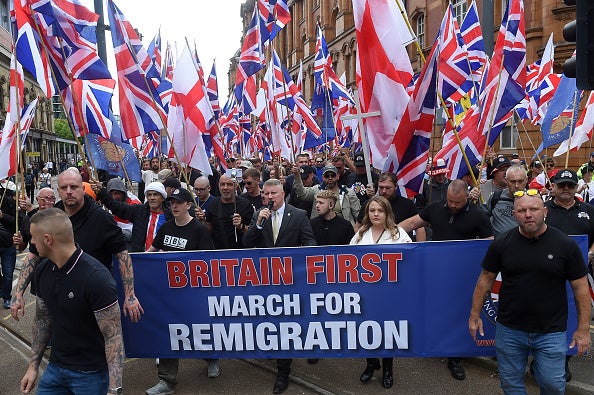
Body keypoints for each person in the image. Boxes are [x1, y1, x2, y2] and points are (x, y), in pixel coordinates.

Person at [469, 190, 591, 394]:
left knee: (553, 384)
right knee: (510, 384)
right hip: (510, 329)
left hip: (550, 331)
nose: (528, 214)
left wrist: (584, 329)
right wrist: (474, 314)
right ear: (514, 214)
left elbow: (581, 288)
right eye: (522, 210)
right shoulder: (501, 243)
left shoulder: (565, 245)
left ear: (545, 212)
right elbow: (485, 279)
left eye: (533, 209)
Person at [11, 169, 143, 323]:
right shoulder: (52, 217)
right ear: (58, 191)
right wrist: (19, 293)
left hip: (94, 301)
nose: (69, 192)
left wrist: (130, 295)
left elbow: (122, 257)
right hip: (59, 297)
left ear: (82, 188)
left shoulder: (102, 219)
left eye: (73, 187)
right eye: (64, 188)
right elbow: (33, 256)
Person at [20, 208, 124, 395]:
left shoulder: (96, 278)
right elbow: (42, 319)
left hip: (91, 375)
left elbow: (113, 337)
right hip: (55, 370)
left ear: (48, 239)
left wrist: (114, 389)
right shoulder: (43, 270)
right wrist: (33, 366)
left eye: (33, 238)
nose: (32, 243)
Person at [400, 180, 493, 380]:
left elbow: (489, 242)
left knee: (459, 314)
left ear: (467, 197)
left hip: (463, 275)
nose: (452, 205)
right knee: (437, 309)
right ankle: (436, 344)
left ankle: (455, 357)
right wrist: (387, 235)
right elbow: (411, 223)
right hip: (438, 271)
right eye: (450, 201)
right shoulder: (435, 208)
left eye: (457, 203)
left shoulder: (478, 215)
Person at [242, 178, 317, 394]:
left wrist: (296, 263)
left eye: (273, 193)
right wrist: (257, 225)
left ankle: (302, 354)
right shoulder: (259, 215)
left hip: (293, 280)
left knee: (295, 321)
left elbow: (310, 245)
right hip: (267, 281)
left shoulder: (299, 215)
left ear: (283, 193)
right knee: (276, 323)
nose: (269, 197)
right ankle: (281, 365)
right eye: (266, 194)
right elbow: (247, 244)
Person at [145, 188, 217, 395]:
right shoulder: (166, 227)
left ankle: (212, 358)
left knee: (197, 331)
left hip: (192, 293)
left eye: (179, 202)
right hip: (167, 293)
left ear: (189, 205)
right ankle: (167, 381)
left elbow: (207, 261)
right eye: (171, 203)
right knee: (168, 333)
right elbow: (150, 253)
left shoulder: (198, 229)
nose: (174, 206)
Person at [351, 196, 411, 389]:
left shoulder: (398, 234)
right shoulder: (361, 233)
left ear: (387, 213)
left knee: (387, 333)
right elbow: (349, 261)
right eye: (372, 210)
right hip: (365, 294)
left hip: (389, 295)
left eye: (380, 211)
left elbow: (411, 260)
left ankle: (387, 369)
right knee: (366, 330)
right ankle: (370, 364)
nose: (376, 214)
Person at [543, 169, 594, 381]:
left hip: (579, 274)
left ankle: (564, 360)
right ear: (553, 186)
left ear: (576, 188)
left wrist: (591, 252)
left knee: (574, 315)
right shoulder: (543, 209)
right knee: (546, 316)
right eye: (561, 184)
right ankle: (543, 357)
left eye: (570, 185)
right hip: (545, 273)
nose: (565, 189)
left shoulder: (589, 210)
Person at [92, 181, 172, 253]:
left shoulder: (172, 215)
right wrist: (102, 192)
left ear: (162, 197)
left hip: (164, 260)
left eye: (155, 194)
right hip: (141, 258)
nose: (152, 198)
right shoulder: (139, 211)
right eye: (149, 195)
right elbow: (117, 207)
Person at [355, 172, 425, 241]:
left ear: (396, 186)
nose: (384, 191)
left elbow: (420, 228)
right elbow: (358, 227)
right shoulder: (369, 205)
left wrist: (420, 250)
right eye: (381, 187)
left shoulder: (407, 204)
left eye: (388, 188)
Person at [292, 164, 361, 225]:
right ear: (322, 177)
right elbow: (302, 194)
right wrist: (297, 176)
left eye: (333, 175)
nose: (330, 178)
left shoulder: (348, 192)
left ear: (338, 176)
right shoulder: (317, 190)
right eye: (327, 176)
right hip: (320, 228)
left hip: (343, 230)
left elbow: (357, 214)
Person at [206, 174, 254, 249]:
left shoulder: (245, 205)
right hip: (219, 252)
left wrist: (241, 226)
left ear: (236, 186)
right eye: (222, 184)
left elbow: (253, 233)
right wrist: (202, 220)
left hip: (241, 252)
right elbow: (209, 230)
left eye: (229, 184)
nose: (225, 188)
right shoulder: (213, 203)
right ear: (218, 186)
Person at [483, 165, 527, 237]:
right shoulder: (496, 197)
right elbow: (481, 217)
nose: (516, 185)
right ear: (506, 180)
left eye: (520, 181)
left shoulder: (532, 199)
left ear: (526, 180)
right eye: (512, 182)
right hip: (501, 244)